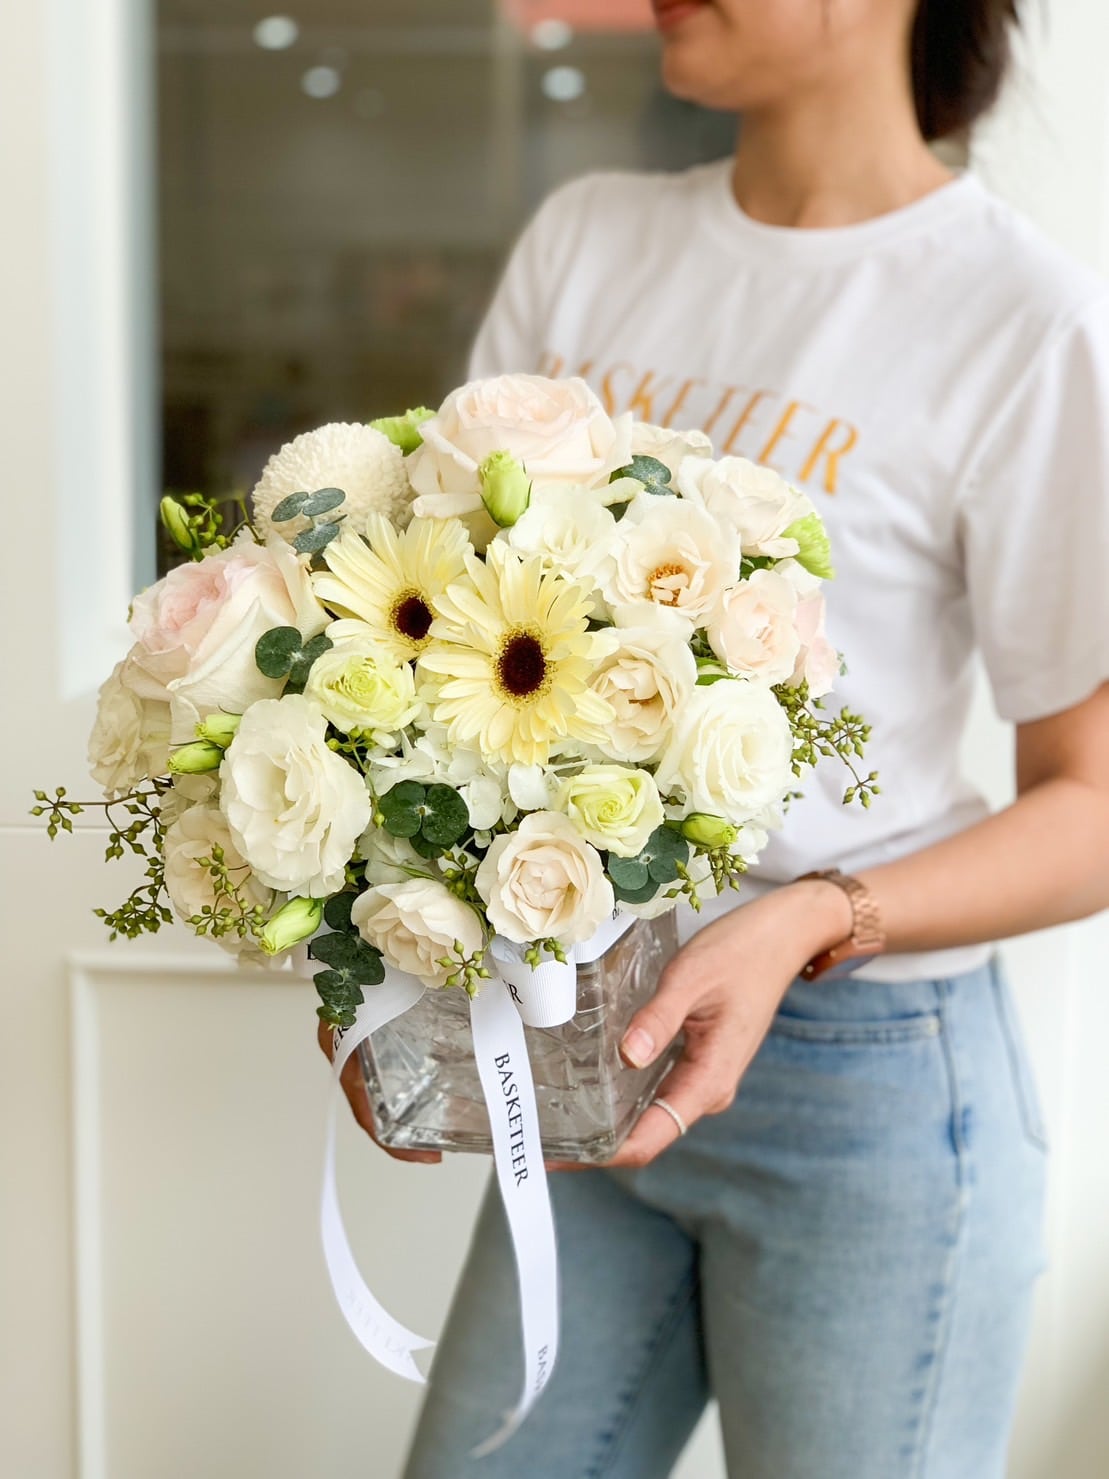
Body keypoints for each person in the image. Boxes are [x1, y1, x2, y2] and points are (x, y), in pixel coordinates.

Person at [327, 1, 1109, 1474]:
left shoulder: (1024, 318)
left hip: (862, 1090)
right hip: (580, 1034)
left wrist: (818, 916)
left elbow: (1094, 803)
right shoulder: (591, 240)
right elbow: (426, 633)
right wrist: (379, 944)